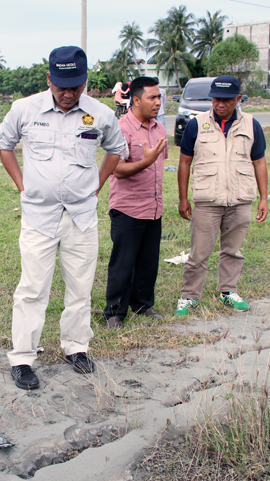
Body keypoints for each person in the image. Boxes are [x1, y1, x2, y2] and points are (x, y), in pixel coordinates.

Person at [0, 46, 126, 390]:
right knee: (33, 289)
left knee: (80, 288)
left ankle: (76, 348)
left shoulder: (101, 114)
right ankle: (23, 358)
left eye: (75, 86)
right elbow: (4, 145)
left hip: (81, 217)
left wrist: (97, 185)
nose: (68, 94)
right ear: (49, 78)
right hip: (39, 217)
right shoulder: (25, 109)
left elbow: (115, 149)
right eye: (61, 86)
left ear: (85, 82)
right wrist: (22, 185)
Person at [175, 75, 268, 316]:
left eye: (227, 100)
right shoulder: (197, 124)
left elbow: (259, 162)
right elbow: (185, 162)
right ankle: (189, 296)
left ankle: (228, 291)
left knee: (233, 250)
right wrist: (183, 197)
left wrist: (264, 198)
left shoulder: (251, 124)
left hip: (240, 199)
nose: (220, 104)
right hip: (207, 200)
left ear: (238, 99)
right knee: (199, 252)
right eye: (216, 99)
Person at [103, 76, 168, 329]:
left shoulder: (159, 128)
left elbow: (160, 164)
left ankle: (142, 304)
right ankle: (115, 313)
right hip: (127, 208)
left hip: (152, 207)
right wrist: (146, 162)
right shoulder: (121, 128)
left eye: (159, 97)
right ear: (137, 100)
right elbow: (117, 169)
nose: (158, 102)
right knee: (123, 262)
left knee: (148, 261)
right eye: (152, 97)